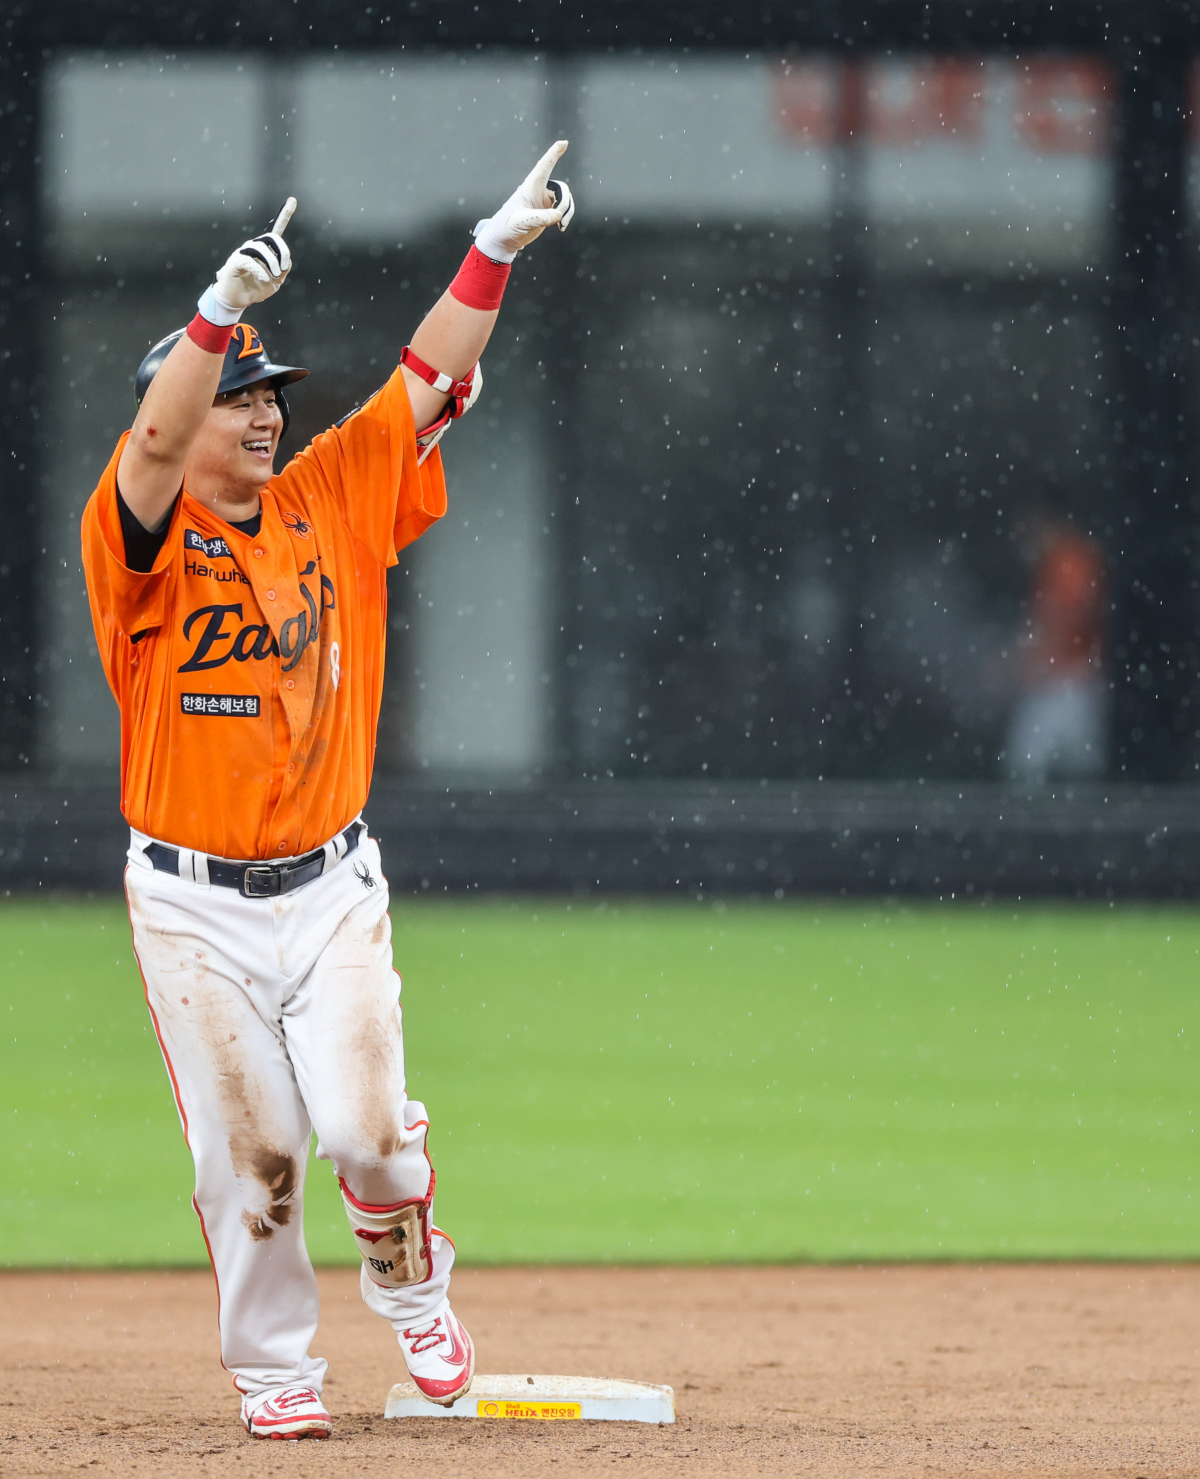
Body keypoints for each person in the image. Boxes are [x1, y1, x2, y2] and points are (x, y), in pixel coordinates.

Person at [81, 142, 574, 1441]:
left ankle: (414, 1290)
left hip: (330, 885)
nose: (262, 414)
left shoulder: (331, 496)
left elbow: (426, 378)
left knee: (366, 1137)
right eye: (237, 398)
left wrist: (492, 251)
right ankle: (275, 1370)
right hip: (191, 904)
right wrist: (214, 315)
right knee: (247, 1156)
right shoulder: (137, 544)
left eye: (267, 397)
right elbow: (149, 448)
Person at [1004, 505, 1108, 782]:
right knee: (1074, 767)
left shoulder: (1069, 561)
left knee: (1031, 766)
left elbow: (1065, 619)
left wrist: (1031, 660)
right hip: (1066, 677)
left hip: (1065, 679)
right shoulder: (1059, 561)